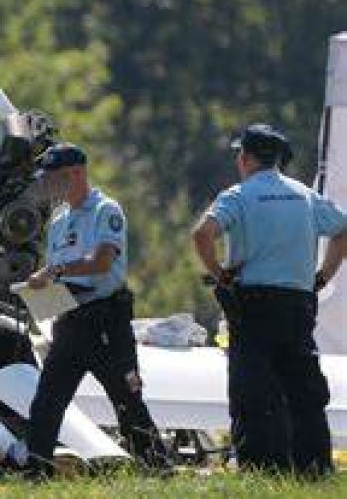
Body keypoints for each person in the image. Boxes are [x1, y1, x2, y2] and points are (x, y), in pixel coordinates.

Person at [191, 123, 347, 476]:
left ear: (245, 158)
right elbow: (342, 230)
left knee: (253, 388)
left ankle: (262, 468)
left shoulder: (238, 195)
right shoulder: (305, 195)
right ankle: (313, 466)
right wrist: (323, 276)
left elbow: (202, 234)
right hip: (298, 304)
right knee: (303, 390)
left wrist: (219, 273)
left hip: (253, 304)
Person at [23, 143, 169, 476]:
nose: (48, 186)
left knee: (126, 398)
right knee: (48, 399)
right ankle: (38, 468)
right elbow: (56, 272)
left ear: (76, 173)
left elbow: (102, 262)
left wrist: (55, 273)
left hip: (105, 321)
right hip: (71, 321)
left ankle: (156, 468)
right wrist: (40, 292)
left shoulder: (106, 210)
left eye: (53, 178)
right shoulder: (59, 222)